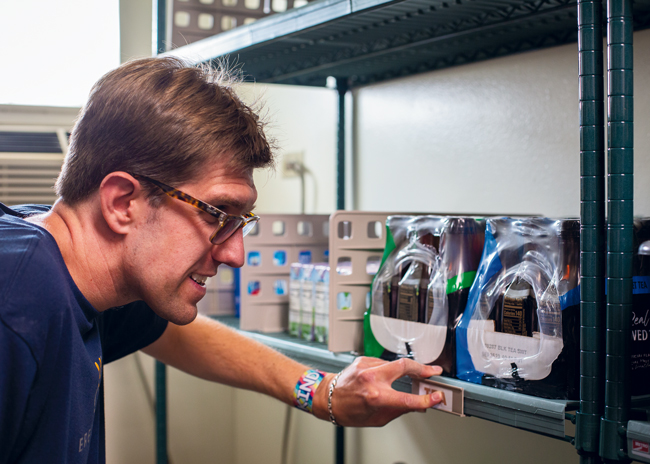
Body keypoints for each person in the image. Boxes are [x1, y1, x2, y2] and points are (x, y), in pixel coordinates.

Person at [0, 56, 443, 463]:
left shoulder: (71, 267)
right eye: (217, 214)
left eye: (239, 222)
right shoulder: (19, 307)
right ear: (122, 203)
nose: (236, 254)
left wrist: (322, 390)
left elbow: (169, 334)